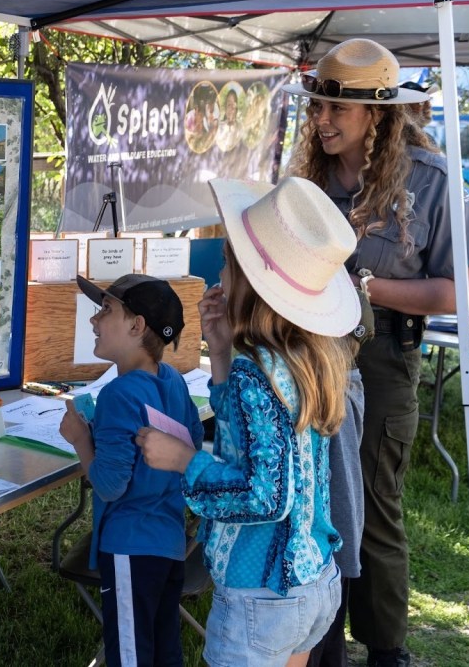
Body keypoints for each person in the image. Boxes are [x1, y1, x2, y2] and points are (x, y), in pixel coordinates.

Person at [283, 37, 469, 667]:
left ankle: (384, 649)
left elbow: (463, 293)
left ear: (377, 114)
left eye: (336, 109)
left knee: (372, 508)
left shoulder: (430, 182)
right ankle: (319, 641)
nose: (320, 119)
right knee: (313, 498)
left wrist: (365, 288)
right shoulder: (305, 180)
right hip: (307, 361)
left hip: (382, 363)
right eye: (317, 105)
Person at [137, 176, 361, 666]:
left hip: (261, 591)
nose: (218, 279)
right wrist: (219, 356)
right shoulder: (308, 357)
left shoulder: (255, 374)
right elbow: (259, 442)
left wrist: (185, 461)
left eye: (224, 265)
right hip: (313, 581)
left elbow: (266, 494)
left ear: (247, 281)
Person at [59, 273, 205, 667]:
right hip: (171, 541)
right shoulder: (174, 381)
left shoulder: (118, 394)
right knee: (164, 648)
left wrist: (80, 439)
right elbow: (189, 445)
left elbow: (108, 484)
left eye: (106, 310)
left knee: (130, 655)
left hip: (129, 548)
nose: (94, 320)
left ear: (137, 325)